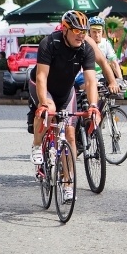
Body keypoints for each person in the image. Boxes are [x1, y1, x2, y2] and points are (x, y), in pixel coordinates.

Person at [30, 11, 100, 203]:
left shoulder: (86, 49)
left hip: (66, 91)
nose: (81, 35)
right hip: (42, 86)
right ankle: (37, 145)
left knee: (69, 134)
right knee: (49, 111)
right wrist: (44, 103)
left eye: (84, 31)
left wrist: (93, 106)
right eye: (76, 30)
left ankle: (68, 184)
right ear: (65, 29)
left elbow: (90, 81)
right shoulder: (49, 43)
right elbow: (41, 76)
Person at [87, 16, 124, 81]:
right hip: (87, 76)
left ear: (103, 32)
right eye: (94, 32)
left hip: (102, 76)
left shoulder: (106, 43)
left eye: (99, 31)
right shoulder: (85, 43)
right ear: (89, 32)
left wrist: (120, 79)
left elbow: (113, 63)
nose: (97, 35)